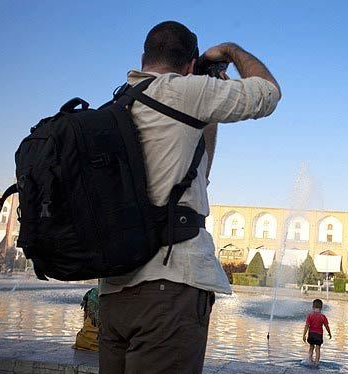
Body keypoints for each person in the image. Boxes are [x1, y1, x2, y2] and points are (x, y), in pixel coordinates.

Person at [98, 21, 281, 374]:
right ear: (190, 64)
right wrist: (231, 51)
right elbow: (268, 93)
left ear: (143, 57)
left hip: (114, 294)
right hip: (169, 289)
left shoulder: (120, 103)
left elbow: (200, 175)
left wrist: (207, 117)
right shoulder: (183, 91)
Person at [302, 299, 332, 368]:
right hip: (319, 335)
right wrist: (329, 333)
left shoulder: (310, 315)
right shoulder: (323, 317)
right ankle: (316, 363)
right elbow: (326, 326)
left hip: (311, 334)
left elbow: (306, 326)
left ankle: (309, 360)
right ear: (321, 308)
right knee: (318, 348)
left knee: (311, 347)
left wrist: (304, 335)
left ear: (313, 307)